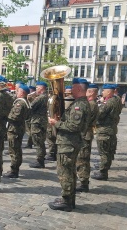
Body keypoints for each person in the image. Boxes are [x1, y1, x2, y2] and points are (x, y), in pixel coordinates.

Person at [48, 78, 90, 212]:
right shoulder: (79, 103)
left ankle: (66, 200)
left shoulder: (79, 105)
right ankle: (69, 199)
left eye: (72, 87)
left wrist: (56, 123)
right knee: (69, 171)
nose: (70, 90)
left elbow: (74, 126)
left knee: (65, 171)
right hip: (69, 142)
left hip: (68, 143)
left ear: (78, 89)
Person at [3, 84, 31, 179]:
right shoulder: (24, 101)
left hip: (15, 129)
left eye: (18, 91)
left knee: (14, 150)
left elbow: (14, 116)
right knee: (16, 149)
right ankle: (14, 169)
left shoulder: (20, 103)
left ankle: (14, 170)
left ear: (22, 92)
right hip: (17, 128)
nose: (16, 92)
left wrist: (4, 115)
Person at [76, 83, 99, 193]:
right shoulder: (90, 103)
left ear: (90, 92)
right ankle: (82, 180)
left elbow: (84, 120)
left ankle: (84, 182)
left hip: (85, 134)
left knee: (83, 159)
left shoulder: (91, 104)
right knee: (81, 158)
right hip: (85, 133)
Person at [91, 84, 117, 181]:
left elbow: (100, 114)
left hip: (104, 130)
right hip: (111, 129)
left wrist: (101, 103)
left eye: (104, 91)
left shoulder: (109, 102)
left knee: (104, 153)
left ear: (109, 92)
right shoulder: (116, 99)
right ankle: (104, 168)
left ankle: (103, 173)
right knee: (108, 152)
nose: (102, 93)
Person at [29, 81, 49, 169]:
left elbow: (31, 107)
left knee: (37, 141)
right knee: (40, 140)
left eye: (37, 88)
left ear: (41, 88)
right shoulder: (46, 96)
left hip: (37, 121)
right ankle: (41, 158)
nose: (36, 89)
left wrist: (29, 98)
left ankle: (40, 160)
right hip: (42, 120)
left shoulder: (41, 97)